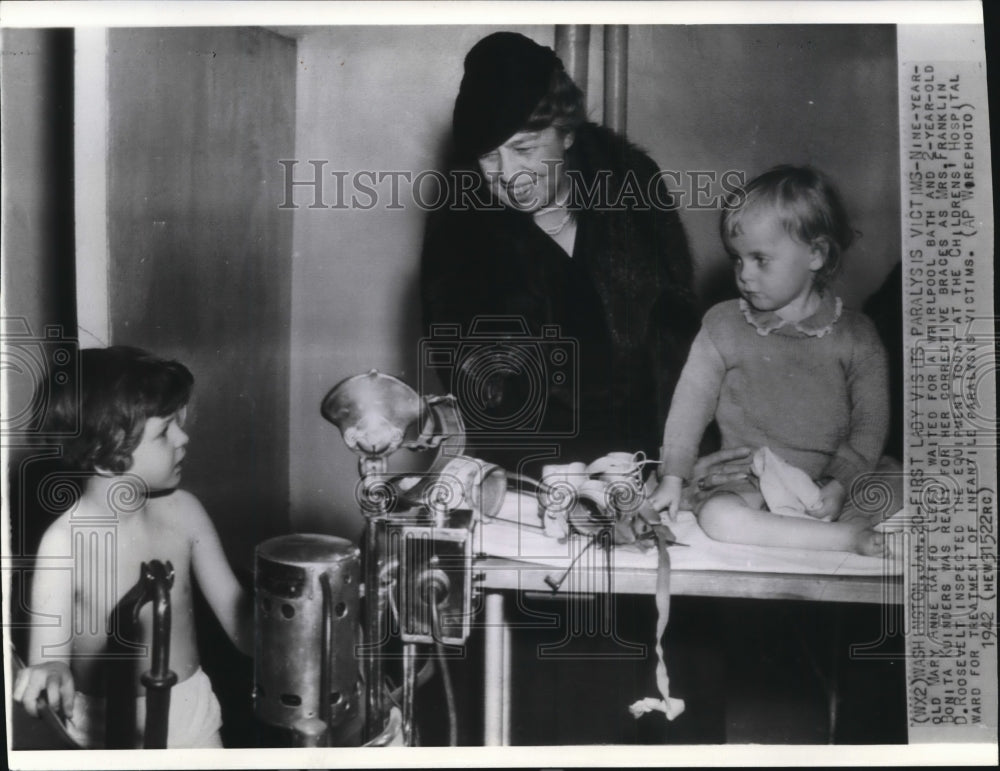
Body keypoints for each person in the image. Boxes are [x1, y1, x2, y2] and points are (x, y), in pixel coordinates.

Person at [421, 31, 701, 473]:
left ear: (567, 133)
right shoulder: (460, 238)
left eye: (524, 149)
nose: (509, 175)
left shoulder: (635, 193)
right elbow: (483, 398)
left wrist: (681, 464)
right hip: (534, 476)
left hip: (653, 465)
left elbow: (684, 355)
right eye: (489, 157)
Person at [12, 346, 253, 748]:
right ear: (109, 458)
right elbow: (45, 657)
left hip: (192, 714)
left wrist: (301, 629)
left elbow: (242, 624)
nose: (184, 437)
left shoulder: (187, 513)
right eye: (165, 431)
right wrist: (50, 670)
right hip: (103, 731)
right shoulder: (63, 544)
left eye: (180, 422)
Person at [650, 166, 889, 555]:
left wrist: (840, 484)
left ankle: (846, 529)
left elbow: (869, 426)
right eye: (738, 259)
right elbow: (690, 404)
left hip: (833, 482)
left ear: (816, 254)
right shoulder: (723, 324)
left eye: (760, 259)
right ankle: (845, 540)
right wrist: (674, 475)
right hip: (750, 480)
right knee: (718, 518)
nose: (744, 275)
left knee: (910, 494)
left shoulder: (858, 337)